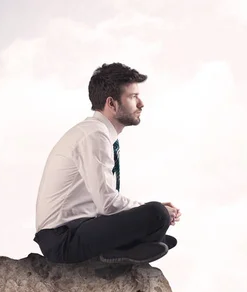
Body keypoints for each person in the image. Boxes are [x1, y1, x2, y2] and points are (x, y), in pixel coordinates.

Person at [33, 62, 181, 264]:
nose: (141, 103)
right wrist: (150, 210)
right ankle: (122, 249)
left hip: (79, 228)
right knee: (156, 214)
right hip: (63, 238)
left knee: (158, 222)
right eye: (132, 97)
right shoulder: (94, 135)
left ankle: (126, 248)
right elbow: (108, 204)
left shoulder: (100, 134)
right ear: (111, 104)